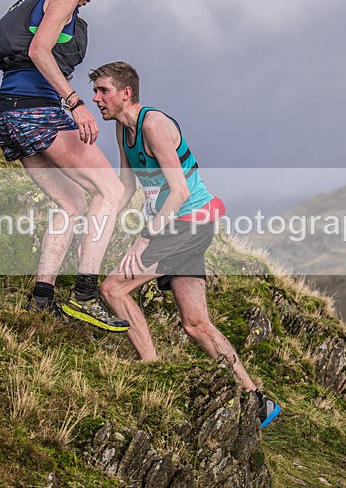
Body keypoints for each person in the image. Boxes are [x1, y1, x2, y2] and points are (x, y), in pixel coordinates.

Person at [91, 62, 281, 428]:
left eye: (103, 91)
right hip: (180, 226)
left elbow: (178, 192)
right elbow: (127, 187)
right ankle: (259, 402)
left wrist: (144, 239)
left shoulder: (153, 125)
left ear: (125, 93)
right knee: (196, 324)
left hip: (187, 223)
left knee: (113, 288)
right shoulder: (122, 131)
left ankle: (152, 371)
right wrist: (102, 219)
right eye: (96, 91)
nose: (96, 98)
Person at [0, 0, 129, 333]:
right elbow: (40, 50)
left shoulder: (27, 0)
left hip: (10, 118)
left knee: (71, 202)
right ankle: (85, 296)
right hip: (40, 111)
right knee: (110, 190)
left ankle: (41, 299)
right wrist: (76, 104)